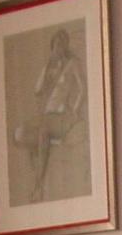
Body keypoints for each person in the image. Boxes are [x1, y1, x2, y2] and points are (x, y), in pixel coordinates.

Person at [13, 27, 86, 203]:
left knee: (43, 132)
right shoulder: (50, 68)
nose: (58, 48)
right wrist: (47, 67)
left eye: (61, 44)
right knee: (19, 133)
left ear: (65, 45)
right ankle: (39, 152)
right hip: (47, 116)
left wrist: (75, 110)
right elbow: (37, 90)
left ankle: (38, 186)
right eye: (55, 45)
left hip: (62, 116)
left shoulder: (72, 64)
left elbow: (82, 89)